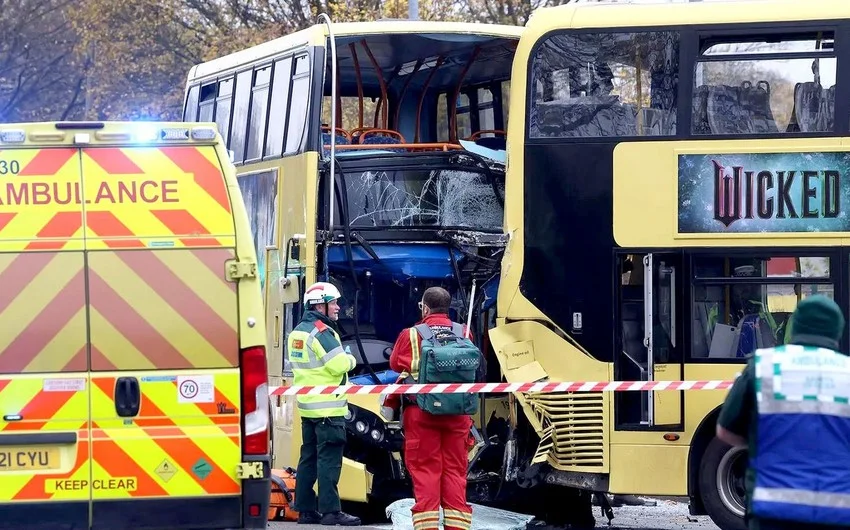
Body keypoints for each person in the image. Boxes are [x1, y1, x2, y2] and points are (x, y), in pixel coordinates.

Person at [717, 295, 850, 530]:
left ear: (795, 325)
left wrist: (762, 441)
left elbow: (725, 431)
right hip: (838, 513)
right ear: (837, 330)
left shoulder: (764, 366)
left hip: (772, 511)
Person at [388, 286, 478, 530]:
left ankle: (427, 527)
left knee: (426, 472)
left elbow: (396, 364)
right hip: (458, 414)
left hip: (422, 412)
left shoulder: (411, 335)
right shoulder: (464, 332)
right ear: (448, 308)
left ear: (425, 307)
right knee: (455, 473)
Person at [287, 281, 361, 526]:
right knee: (329, 460)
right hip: (329, 408)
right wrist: (350, 358)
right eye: (334, 303)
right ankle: (331, 511)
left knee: (308, 458)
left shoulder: (298, 331)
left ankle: (305, 510)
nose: (338, 307)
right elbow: (339, 364)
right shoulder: (322, 332)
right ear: (320, 305)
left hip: (308, 407)